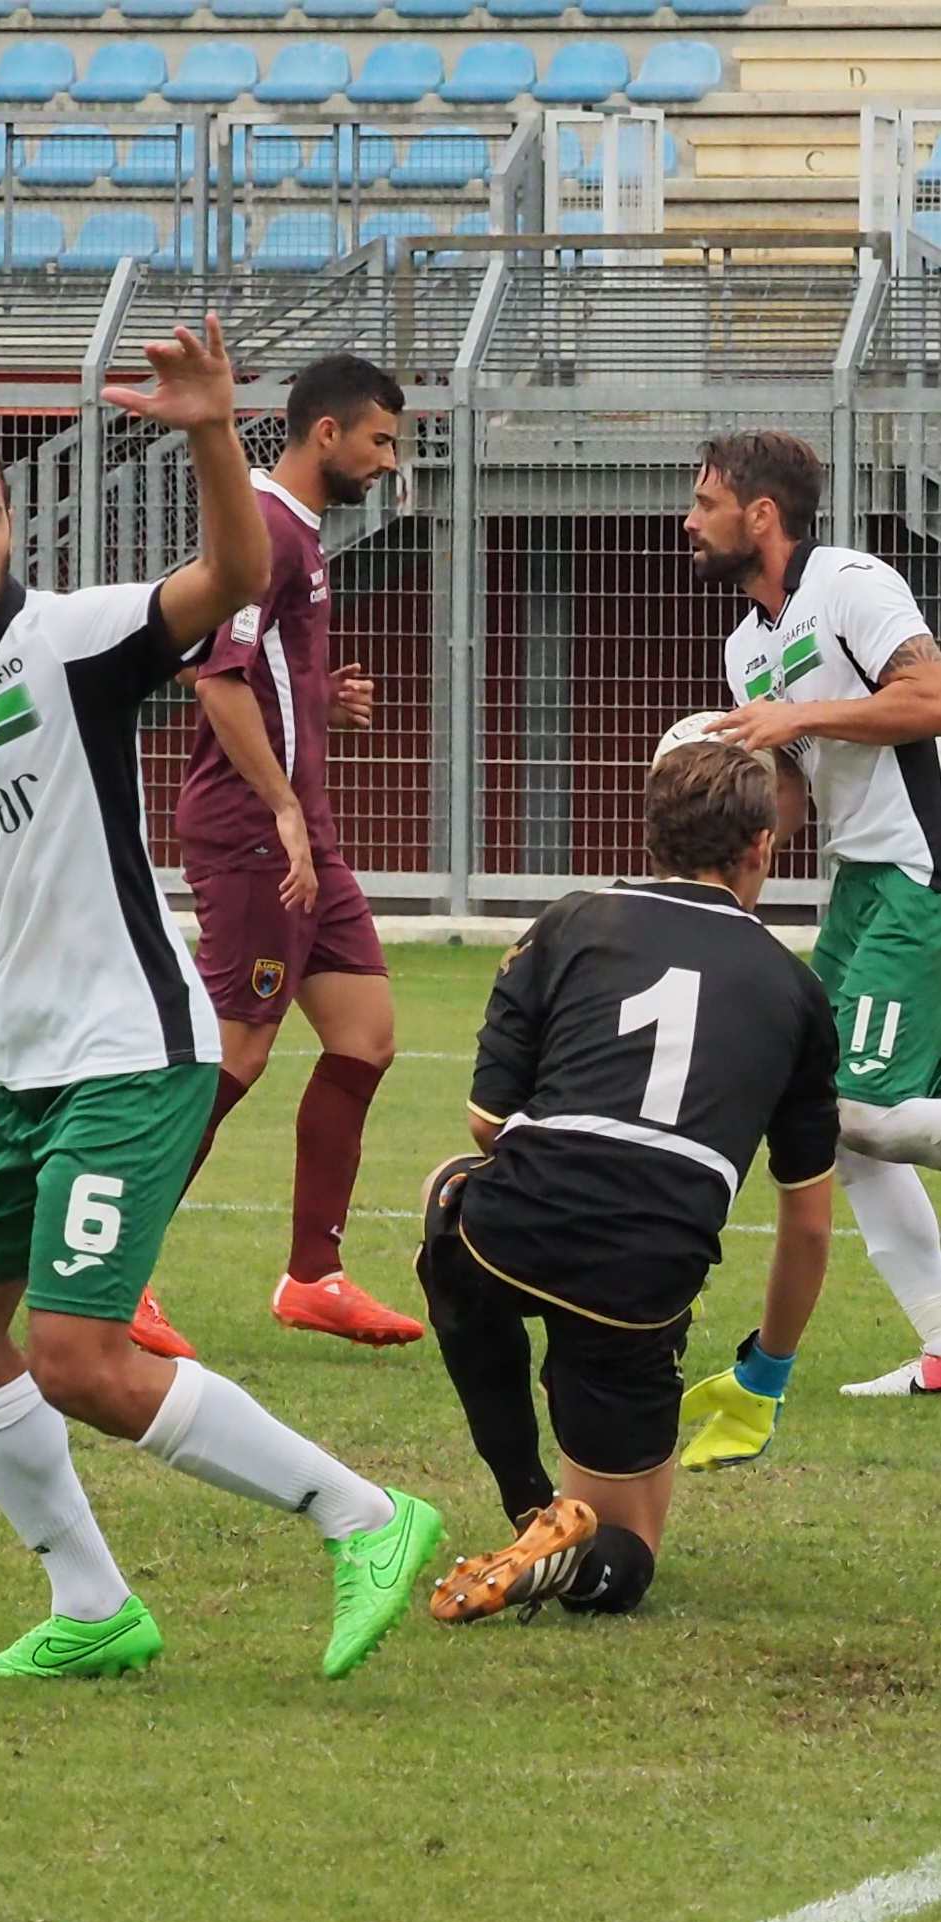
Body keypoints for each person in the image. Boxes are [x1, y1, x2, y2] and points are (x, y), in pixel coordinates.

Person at [0, 317, 443, 1682]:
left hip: (131, 1048)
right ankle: (92, 1605)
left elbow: (231, 576)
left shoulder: (72, 638)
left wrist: (211, 432)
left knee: (78, 1354)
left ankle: (364, 1514)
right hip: (10, 1061)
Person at [415, 738, 837, 1624]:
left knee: (449, 1192)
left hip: (510, 1230)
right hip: (643, 1277)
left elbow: (487, 1120)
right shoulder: (797, 992)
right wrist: (766, 1372)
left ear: (648, 834)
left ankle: (526, 1500)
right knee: (627, 1549)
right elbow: (806, 1222)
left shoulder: (569, 921)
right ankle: (567, 1554)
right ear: (761, 845)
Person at [131, 351, 425, 1363]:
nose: (390, 462)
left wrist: (314, 697)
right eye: (380, 441)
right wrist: (284, 810)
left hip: (302, 830)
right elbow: (216, 681)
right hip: (258, 832)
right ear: (326, 433)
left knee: (365, 1037)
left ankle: (313, 1275)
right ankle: (116, 1263)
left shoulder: (299, 532)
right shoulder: (262, 529)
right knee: (237, 1050)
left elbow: (246, 672)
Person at [688, 432, 941, 1398]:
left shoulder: (849, 582)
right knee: (822, 1112)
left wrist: (794, 717)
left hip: (923, 866)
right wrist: (718, 884)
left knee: (864, 1111)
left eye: (704, 502)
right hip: (860, 881)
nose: (687, 520)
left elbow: (927, 696)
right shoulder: (744, 645)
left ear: (760, 515)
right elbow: (791, 792)